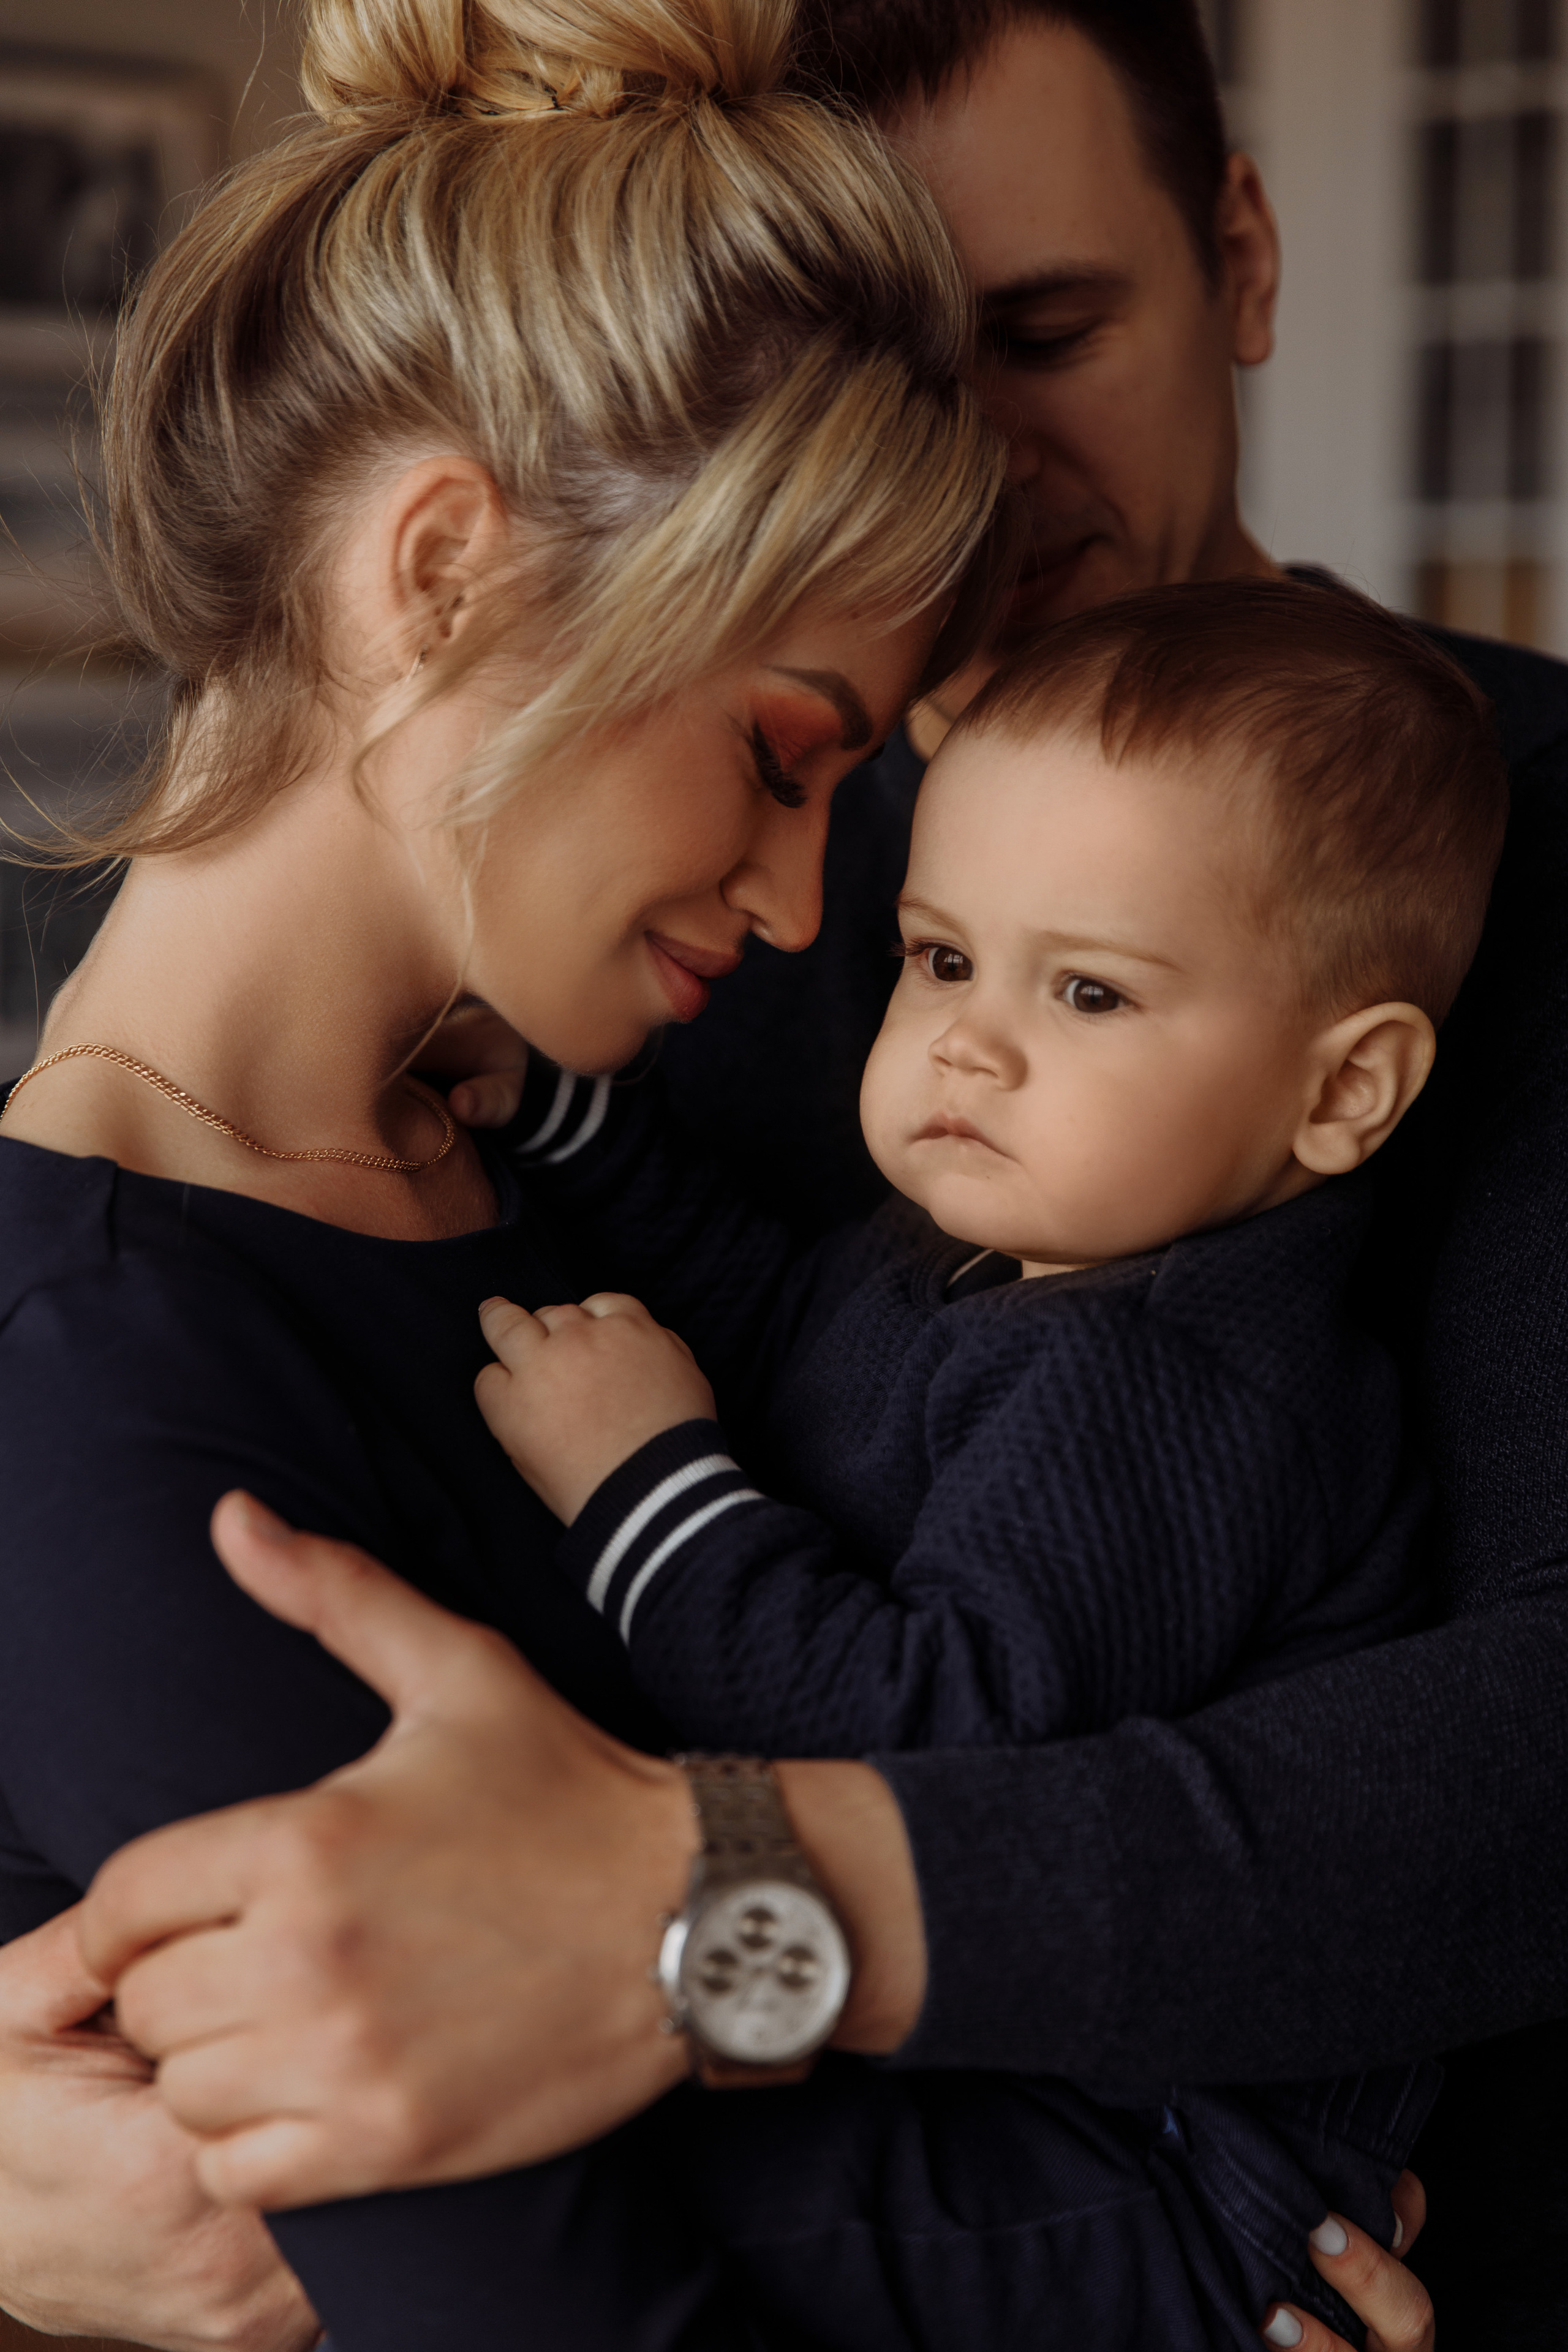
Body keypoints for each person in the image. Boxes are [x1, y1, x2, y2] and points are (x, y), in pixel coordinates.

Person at [0, 0, 1012, 2340]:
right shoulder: (103, 1380)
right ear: (440, 568)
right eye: (778, 754)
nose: (792, 902)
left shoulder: (550, 1159)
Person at [471, 579, 1504, 2346]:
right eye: (943, 957)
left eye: (1089, 990)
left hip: (1148, 2168)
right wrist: (558, 1104)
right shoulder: (1022, 1235)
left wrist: (647, 1490)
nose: (967, 1036)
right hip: (993, 2078)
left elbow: (929, 1750)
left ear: (1343, 1094)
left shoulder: (1178, 1382)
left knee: (545, 2203)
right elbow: (778, 1315)